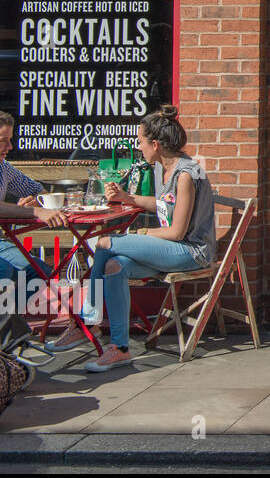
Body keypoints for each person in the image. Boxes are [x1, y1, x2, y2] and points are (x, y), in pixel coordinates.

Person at [44, 106, 214, 372]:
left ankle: (86, 322)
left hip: (190, 251)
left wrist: (137, 234)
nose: (139, 148)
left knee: (104, 243)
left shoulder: (186, 174)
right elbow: (164, 205)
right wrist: (127, 198)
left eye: (140, 142)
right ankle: (120, 348)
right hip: (169, 250)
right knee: (114, 266)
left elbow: (177, 231)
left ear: (155, 144)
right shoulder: (163, 169)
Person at [0, 110, 67, 287]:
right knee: (3, 270)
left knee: (39, 271)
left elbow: (38, 190)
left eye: (10, 140)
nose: (10, 146)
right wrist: (34, 211)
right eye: (3, 141)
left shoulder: (4, 168)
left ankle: (9, 314)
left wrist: (34, 202)